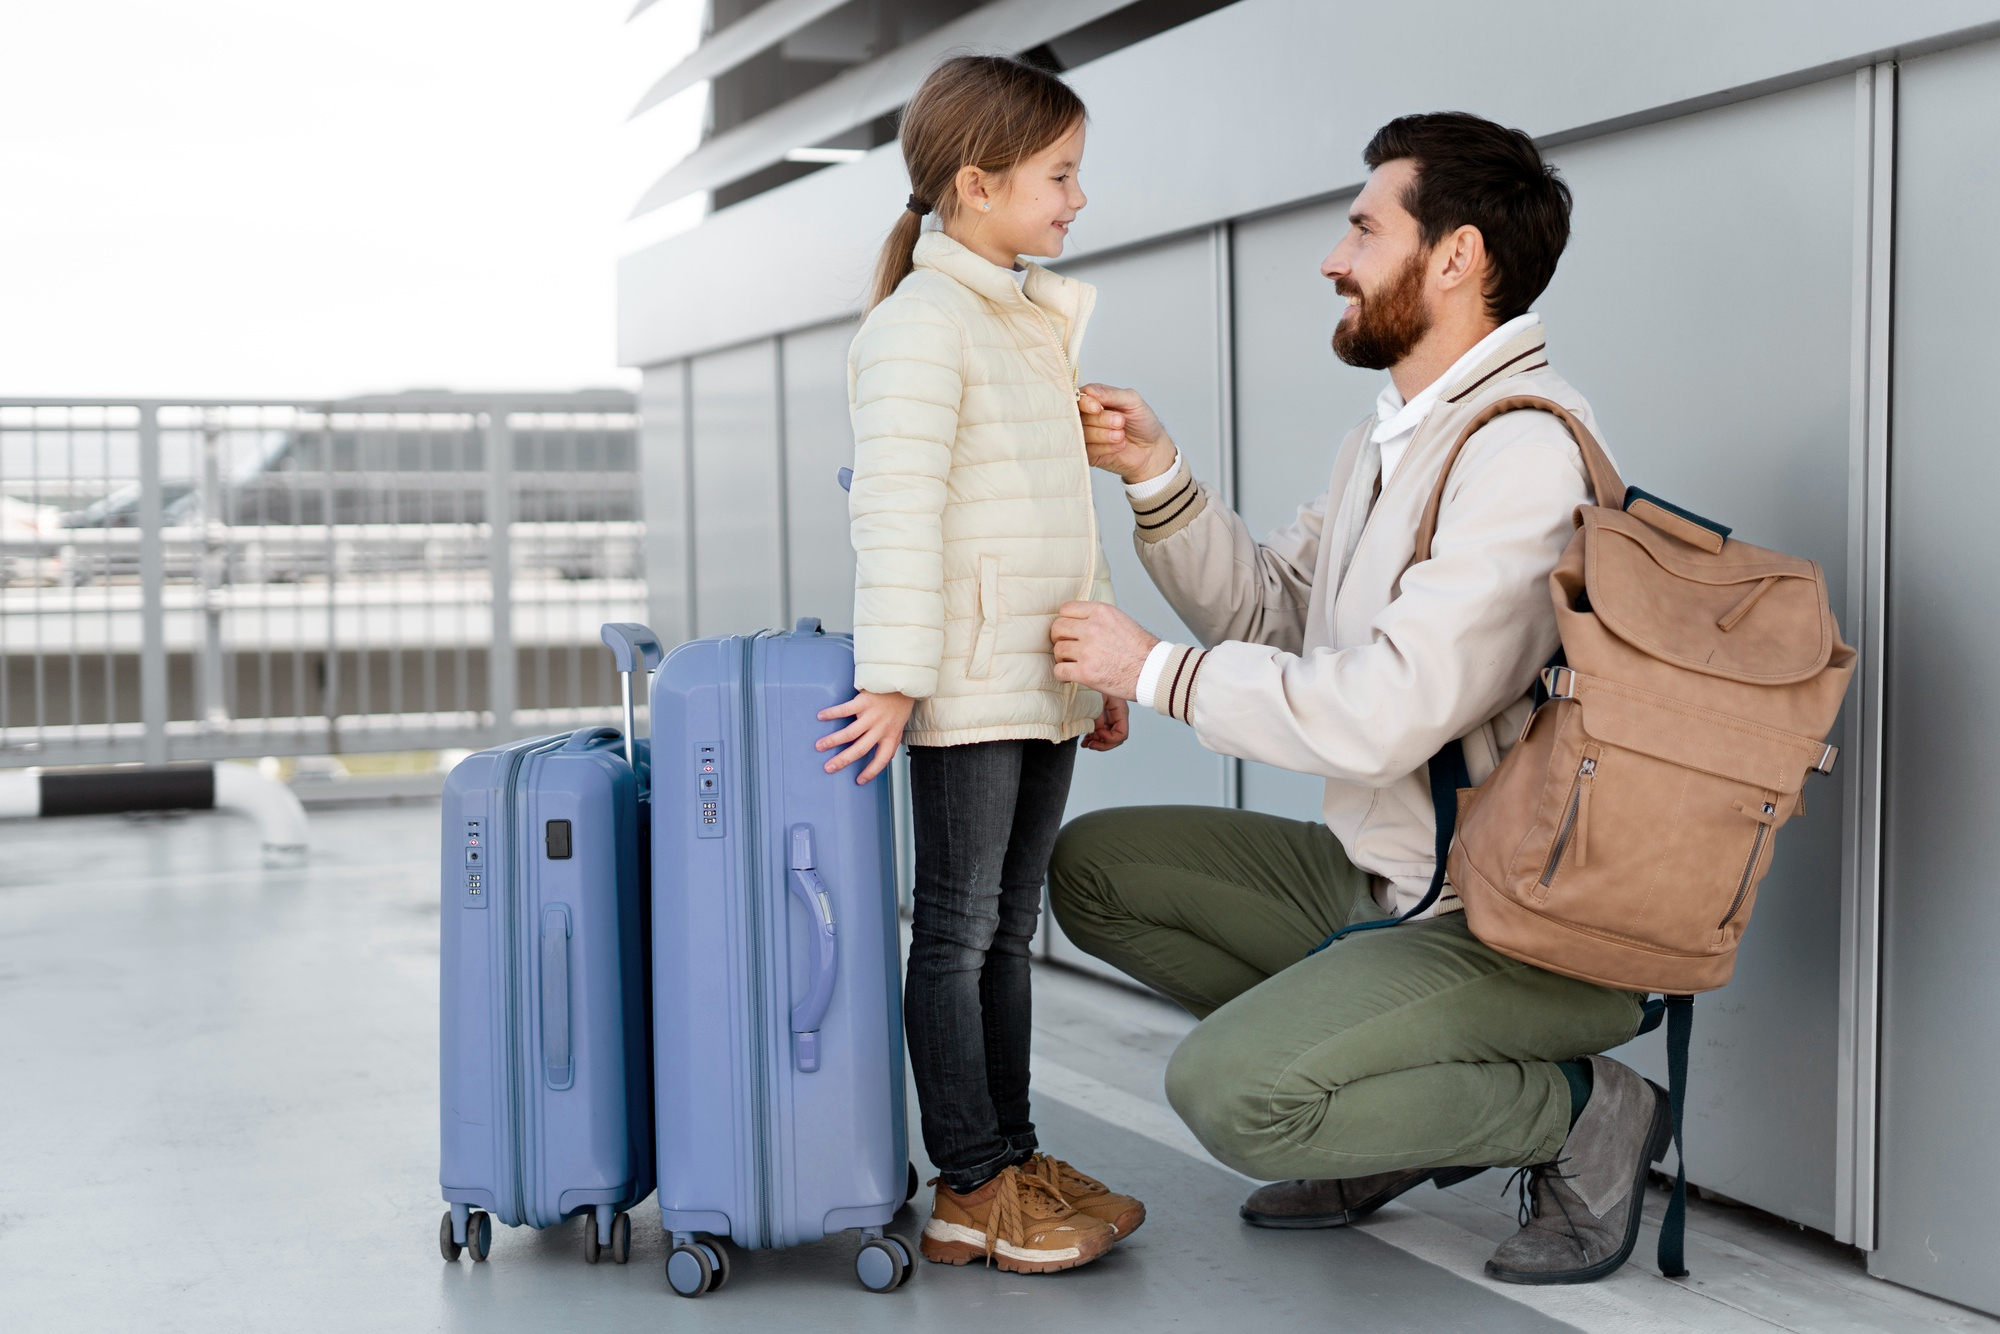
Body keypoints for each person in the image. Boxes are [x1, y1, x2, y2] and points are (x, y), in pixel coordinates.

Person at [1043, 112, 1668, 1285]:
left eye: (1362, 227)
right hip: (1390, 869)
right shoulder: (1394, 441)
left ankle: (1584, 1110)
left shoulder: (1520, 456)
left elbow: (1383, 709)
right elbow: (1273, 616)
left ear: (1454, 256)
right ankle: (1387, 1105)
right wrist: (1156, 474)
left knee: (1226, 1094)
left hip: (1506, 923)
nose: (1335, 258)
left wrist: (1153, 673)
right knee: (1093, 871)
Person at [814, 54, 1144, 1276]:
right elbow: (894, 515)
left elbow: (1064, 517)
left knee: (1006, 930)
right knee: (955, 933)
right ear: (976, 182)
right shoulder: (920, 326)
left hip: (1034, 676)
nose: (1074, 199)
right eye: (1058, 175)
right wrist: (897, 676)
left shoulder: (1022, 322)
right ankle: (967, 1185)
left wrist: (1099, 661)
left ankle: (1010, 1156)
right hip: (960, 681)